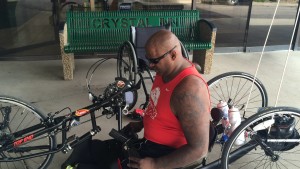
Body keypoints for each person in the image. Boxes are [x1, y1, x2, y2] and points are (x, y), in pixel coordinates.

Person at [62, 30, 211, 169]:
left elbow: (199, 150)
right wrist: (142, 123)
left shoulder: (189, 91)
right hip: (148, 144)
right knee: (91, 150)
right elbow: (163, 109)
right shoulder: (165, 71)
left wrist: (155, 164)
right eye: (148, 59)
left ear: (173, 55)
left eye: (154, 61)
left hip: (165, 155)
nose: (150, 65)